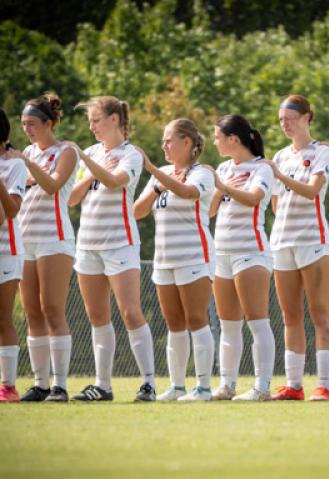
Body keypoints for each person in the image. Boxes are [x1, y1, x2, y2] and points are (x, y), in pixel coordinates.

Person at [69, 96, 156, 402]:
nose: (91, 126)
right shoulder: (92, 154)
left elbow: (117, 182)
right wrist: (91, 166)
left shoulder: (130, 154)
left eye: (96, 120)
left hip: (120, 241)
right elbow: (72, 198)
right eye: (90, 121)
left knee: (130, 312)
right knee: (97, 316)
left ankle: (148, 383)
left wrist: (91, 165)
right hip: (87, 243)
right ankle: (102, 385)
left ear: (114, 120)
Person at [134, 119, 215, 402]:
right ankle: (177, 386)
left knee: (196, 319)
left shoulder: (202, 172)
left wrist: (154, 171)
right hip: (164, 258)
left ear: (188, 143)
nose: (164, 146)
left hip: (194, 255)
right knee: (174, 323)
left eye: (169, 140)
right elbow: (137, 211)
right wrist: (157, 184)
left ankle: (203, 388)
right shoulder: (163, 174)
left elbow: (188, 192)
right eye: (163, 141)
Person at [265, 95, 329, 401]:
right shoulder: (280, 155)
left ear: (307, 117)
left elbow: (312, 191)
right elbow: (276, 202)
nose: (286, 124)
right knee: (289, 315)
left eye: (291, 119)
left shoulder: (322, 152)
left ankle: (324, 385)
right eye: (282, 120)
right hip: (282, 241)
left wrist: (279, 176)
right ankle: (294, 385)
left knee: (318, 312)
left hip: (312, 240)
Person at [11, 95, 78, 403]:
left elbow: (52, 186)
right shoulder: (27, 151)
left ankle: (60, 385)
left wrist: (26, 163)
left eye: (33, 124)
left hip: (55, 238)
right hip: (27, 239)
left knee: (52, 308)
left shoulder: (67, 151)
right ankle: (39, 384)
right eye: (23, 125)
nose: (27, 130)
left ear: (49, 123)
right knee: (33, 311)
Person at [210, 114, 276, 401]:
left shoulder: (262, 167)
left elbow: (254, 198)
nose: (215, 142)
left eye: (217, 137)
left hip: (251, 250)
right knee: (228, 323)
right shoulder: (223, 167)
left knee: (257, 321)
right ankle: (227, 384)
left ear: (232, 139)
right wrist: (215, 185)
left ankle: (262, 387)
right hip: (221, 251)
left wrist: (224, 187)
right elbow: (211, 210)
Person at [0, 109, 27, 402]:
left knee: (3, 318)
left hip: (6, 250)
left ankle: (8, 386)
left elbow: (9, 211)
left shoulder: (15, 166)